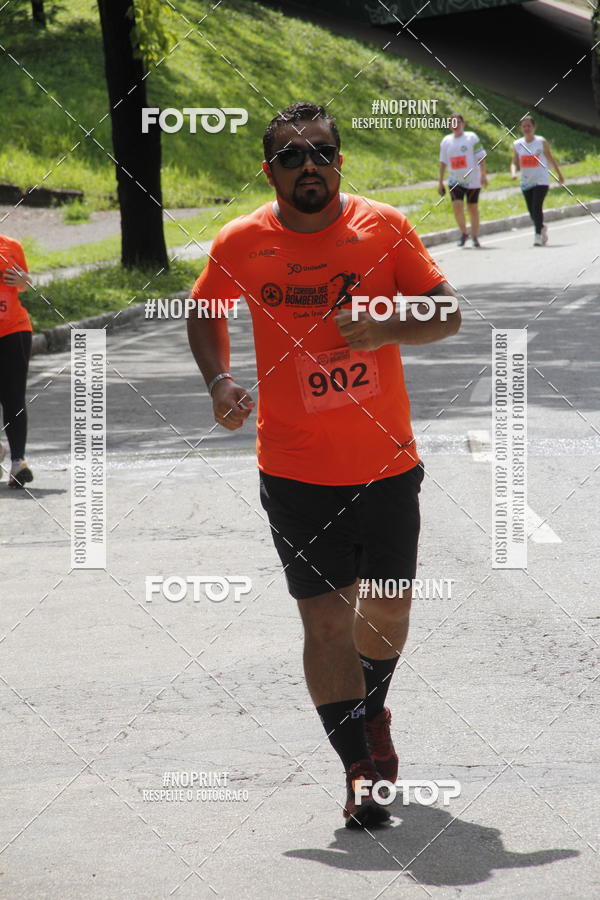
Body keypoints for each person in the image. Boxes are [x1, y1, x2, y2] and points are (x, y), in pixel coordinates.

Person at [187, 103, 461, 829]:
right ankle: (360, 769)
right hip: (294, 470)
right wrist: (218, 381)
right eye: (292, 156)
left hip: (387, 464)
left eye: (322, 153)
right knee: (325, 624)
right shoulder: (241, 241)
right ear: (269, 168)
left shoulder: (384, 228)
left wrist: (387, 325)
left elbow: (448, 312)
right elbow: (203, 311)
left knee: (391, 606)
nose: (309, 166)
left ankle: (372, 707)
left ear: (341, 160)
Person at [0, 234, 34, 488]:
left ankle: (18, 462)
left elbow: (25, 284)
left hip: (14, 329)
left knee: (13, 396)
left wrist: (24, 281)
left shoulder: (11, 246)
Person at [511, 115, 564, 246]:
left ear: (534, 127)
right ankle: (541, 227)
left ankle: (538, 236)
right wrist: (513, 173)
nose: (527, 128)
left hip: (541, 180)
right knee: (531, 211)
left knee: (536, 207)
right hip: (526, 181)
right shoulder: (518, 144)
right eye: (524, 126)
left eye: (529, 125)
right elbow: (514, 162)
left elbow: (550, 158)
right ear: (520, 128)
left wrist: (559, 174)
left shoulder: (541, 142)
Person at [438, 113, 487, 248]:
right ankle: (464, 233)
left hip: (473, 180)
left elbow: (481, 157)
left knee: (472, 207)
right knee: (457, 206)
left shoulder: (471, 137)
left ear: (463, 124)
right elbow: (443, 162)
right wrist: (440, 181)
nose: (456, 125)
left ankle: (475, 236)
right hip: (455, 180)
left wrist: (483, 174)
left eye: (458, 122)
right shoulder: (446, 141)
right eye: (452, 123)